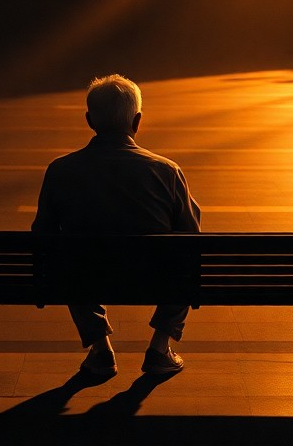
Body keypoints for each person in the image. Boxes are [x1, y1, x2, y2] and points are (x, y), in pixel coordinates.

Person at [32, 74, 201, 379]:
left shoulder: (61, 170)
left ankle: (100, 349)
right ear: (137, 121)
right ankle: (160, 348)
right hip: (153, 279)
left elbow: (42, 235)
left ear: (89, 120)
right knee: (186, 259)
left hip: (87, 279)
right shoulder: (166, 171)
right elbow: (191, 237)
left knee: (69, 257)